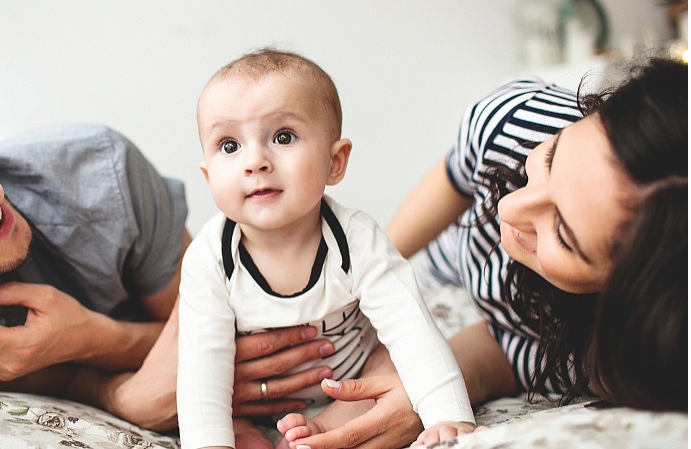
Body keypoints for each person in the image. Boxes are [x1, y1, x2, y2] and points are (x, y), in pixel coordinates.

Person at [228, 56, 687, 449]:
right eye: (549, 160)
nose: (512, 206)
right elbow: (451, 183)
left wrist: (431, 389)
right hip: (440, 261)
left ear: (625, 296)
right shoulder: (514, 123)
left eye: (563, 234)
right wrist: (358, 281)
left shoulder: (596, 354)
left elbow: (500, 354)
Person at [176, 48, 477, 449]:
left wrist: (449, 415)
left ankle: (325, 428)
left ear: (335, 161)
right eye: (229, 145)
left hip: (348, 383)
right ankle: (258, 436)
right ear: (208, 175)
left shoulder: (356, 238)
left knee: (392, 366)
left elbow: (411, 326)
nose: (255, 161)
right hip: (256, 403)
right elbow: (202, 369)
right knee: (223, 412)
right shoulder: (209, 258)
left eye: (283, 137)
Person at [0, 123, 190, 429]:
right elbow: (66, 385)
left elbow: (219, 330)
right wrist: (114, 396)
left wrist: (88, 337)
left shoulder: (103, 177)